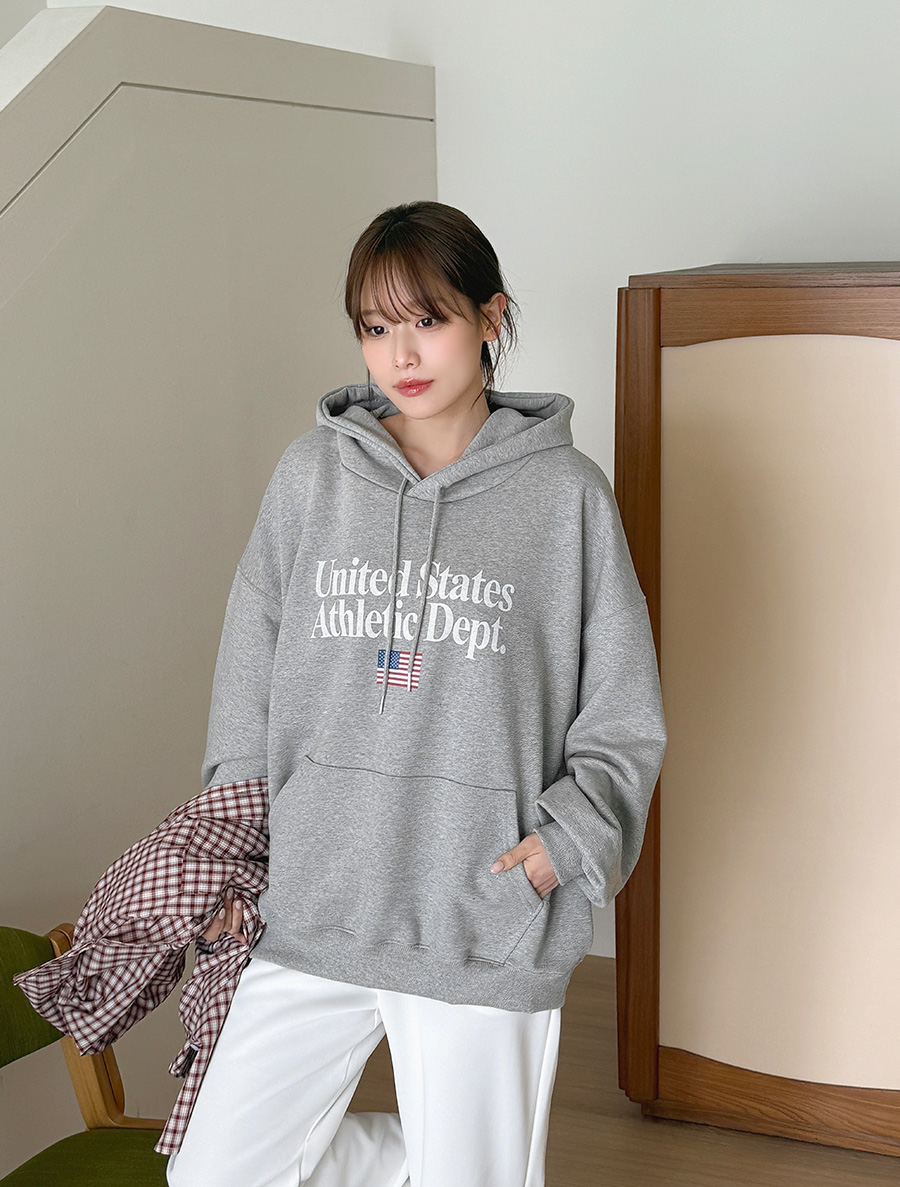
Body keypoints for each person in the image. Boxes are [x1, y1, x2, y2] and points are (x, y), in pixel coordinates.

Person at [165, 200, 667, 1187]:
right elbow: (247, 675)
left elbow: (622, 707)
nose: (401, 352)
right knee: (216, 1170)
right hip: (315, 898)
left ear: (490, 316)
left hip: (479, 913)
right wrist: (234, 846)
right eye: (374, 325)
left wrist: (568, 841)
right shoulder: (311, 476)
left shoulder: (565, 495)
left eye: (428, 319)